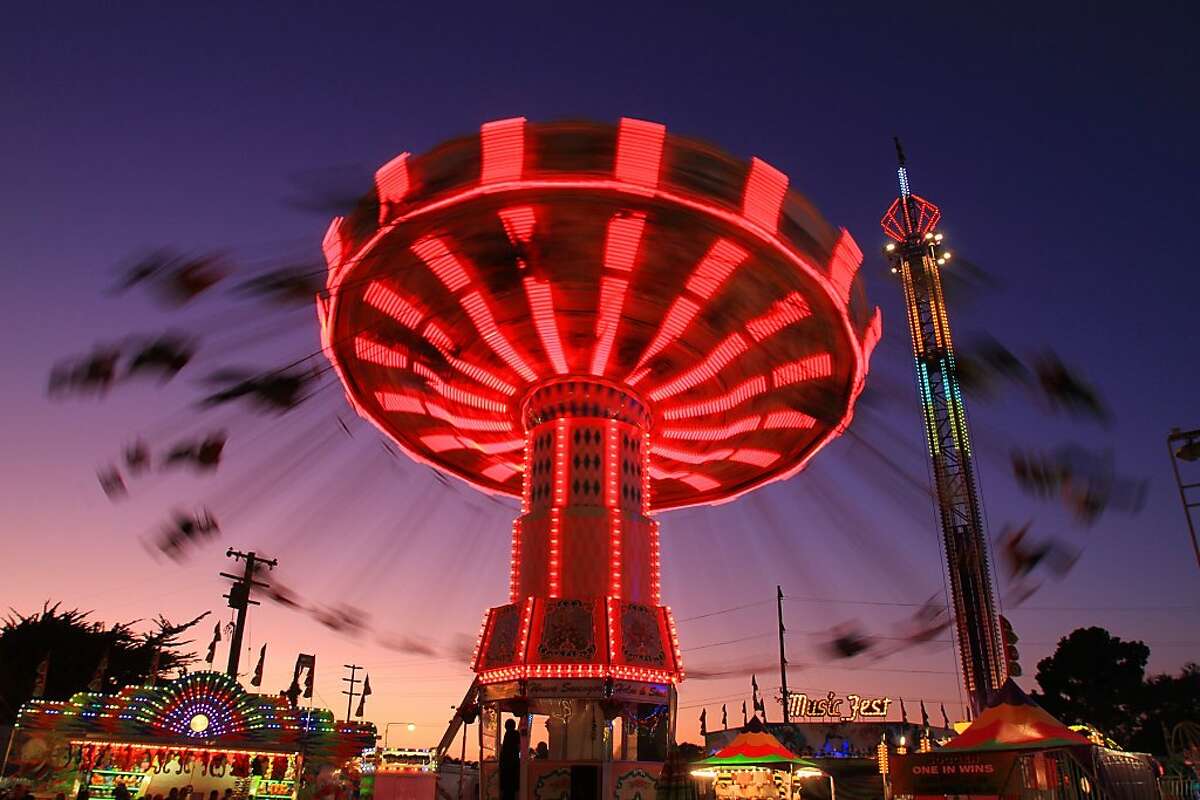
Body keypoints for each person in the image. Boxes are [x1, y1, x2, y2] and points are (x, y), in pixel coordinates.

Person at [498, 718, 521, 800]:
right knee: (512, 790)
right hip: (513, 764)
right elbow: (519, 747)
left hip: (506, 765)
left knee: (506, 790)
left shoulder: (507, 734)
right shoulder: (516, 733)